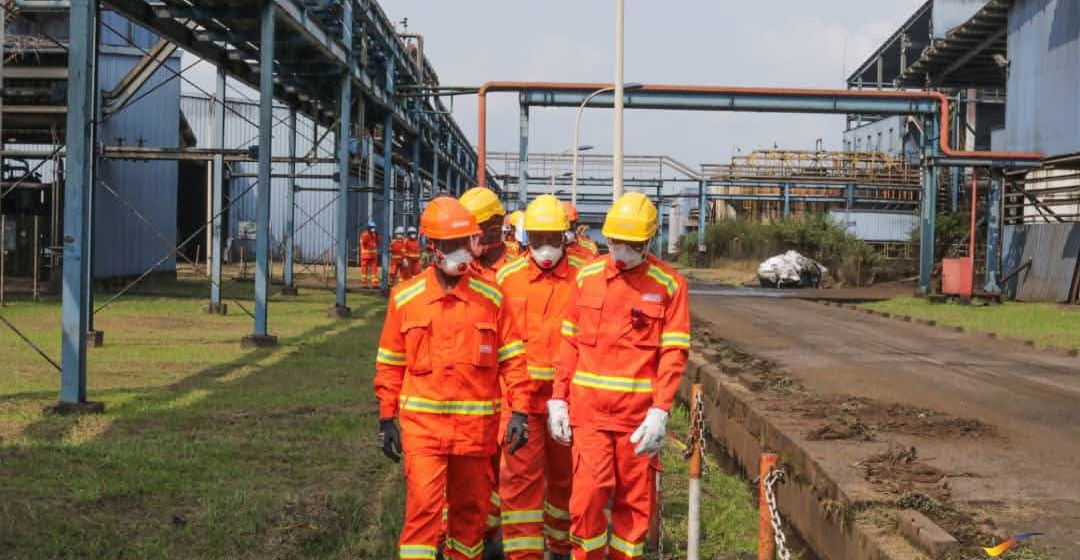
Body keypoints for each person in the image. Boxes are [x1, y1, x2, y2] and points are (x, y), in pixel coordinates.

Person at [375, 196, 532, 560]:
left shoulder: (491, 298)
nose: (461, 252)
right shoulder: (405, 299)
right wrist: (386, 418)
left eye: (465, 243)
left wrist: (520, 412)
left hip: (475, 436)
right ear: (433, 248)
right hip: (423, 432)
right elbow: (390, 363)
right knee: (423, 516)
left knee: (470, 519)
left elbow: (513, 360)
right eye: (451, 245)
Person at [549, 192, 690, 560]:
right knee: (587, 499)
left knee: (634, 506)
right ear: (605, 237)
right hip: (590, 417)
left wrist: (660, 411)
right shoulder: (587, 278)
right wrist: (558, 400)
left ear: (649, 241)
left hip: (637, 420)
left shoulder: (669, 285)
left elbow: (673, 354)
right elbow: (569, 345)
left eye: (632, 245)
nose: (622, 251)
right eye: (615, 242)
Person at [493, 195, 579, 560]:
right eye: (539, 238)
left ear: (566, 237)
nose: (546, 248)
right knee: (519, 486)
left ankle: (560, 550)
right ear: (527, 238)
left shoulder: (583, 280)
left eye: (554, 238)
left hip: (568, 403)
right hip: (520, 405)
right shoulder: (506, 279)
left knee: (566, 483)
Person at [460, 187, 510, 284]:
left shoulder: (516, 271)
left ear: (494, 229)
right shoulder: (461, 268)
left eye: (473, 232)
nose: (466, 239)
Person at [359, 221, 380, 288]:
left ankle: (375, 284)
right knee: (364, 270)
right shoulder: (364, 235)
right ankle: (364, 284)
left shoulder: (374, 234)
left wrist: (377, 236)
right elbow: (365, 243)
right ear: (368, 228)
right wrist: (371, 236)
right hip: (365, 256)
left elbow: (378, 242)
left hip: (373, 256)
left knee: (374, 270)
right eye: (372, 228)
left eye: (374, 228)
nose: (373, 229)